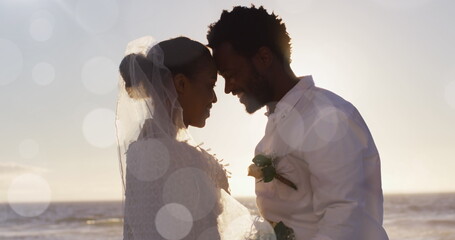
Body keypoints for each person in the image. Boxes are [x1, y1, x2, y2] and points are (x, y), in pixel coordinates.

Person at [207, 6, 389, 240]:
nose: (228, 88)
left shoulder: (326, 117)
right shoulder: (277, 122)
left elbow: (343, 219)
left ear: (264, 58)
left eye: (231, 74)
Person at [116, 36, 275, 240]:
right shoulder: (185, 159)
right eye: (210, 85)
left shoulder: (139, 151)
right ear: (181, 84)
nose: (214, 98)